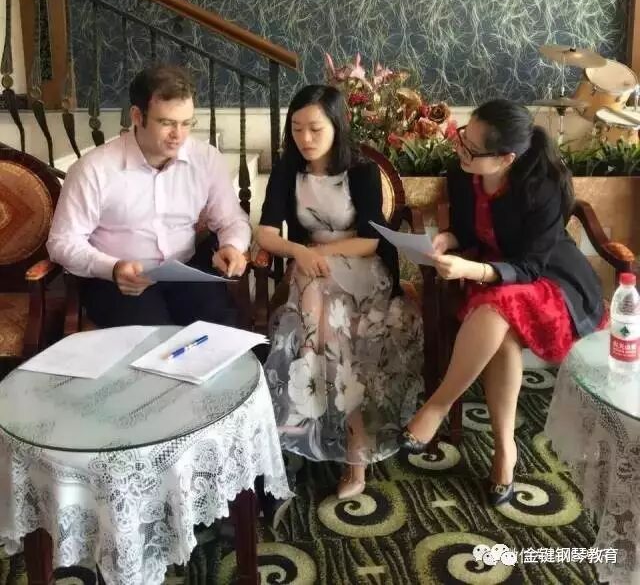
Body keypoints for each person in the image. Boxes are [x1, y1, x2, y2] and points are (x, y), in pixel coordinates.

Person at [398, 99, 604, 505]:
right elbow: (466, 230)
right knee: (502, 331)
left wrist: (471, 270)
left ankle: (438, 406)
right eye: (463, 137)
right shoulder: (463, 173)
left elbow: (529, 267)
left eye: (472, 148)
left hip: (549, 280)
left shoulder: (542, 186)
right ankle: (505, 450)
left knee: (498, 307)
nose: (460, 149)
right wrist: (447, 239)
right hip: (495, 278)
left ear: (506, 158)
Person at [256, 84, 423, 501]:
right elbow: (266, 233)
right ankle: (352, 439)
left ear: (337, 125)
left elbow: (369, 240)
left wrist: (318, 253)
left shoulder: (361, 171)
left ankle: (314, 412)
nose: (305, 138)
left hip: (359, 265)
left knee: (325, 311)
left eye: (315, 129)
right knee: (319, 299)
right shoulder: (287, 170)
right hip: (310, 264)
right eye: (297, 129)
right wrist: (300, 252)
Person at [48, 63, 250, 327]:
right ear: (137, 116)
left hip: (185, 272)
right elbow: (62, 242)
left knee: (223, 332)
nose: (178, 135)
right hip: (117, 282)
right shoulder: (94, 169)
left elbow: (231, 219)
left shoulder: (206, 159)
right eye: (166, 123)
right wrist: (112, 268)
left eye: (186, 123)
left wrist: (232, 246)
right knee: (151, 341)